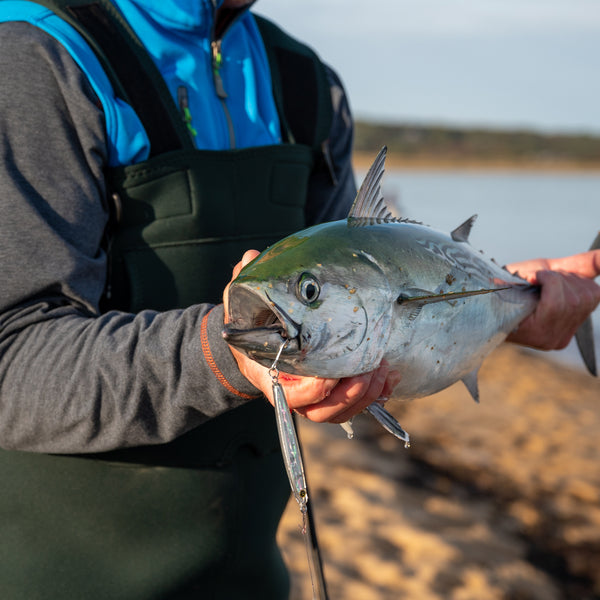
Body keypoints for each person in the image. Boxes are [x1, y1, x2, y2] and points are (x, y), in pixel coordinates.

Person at [0, 0, 598, 598]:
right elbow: (12, 356)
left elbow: (369, 286)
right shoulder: (36, 58)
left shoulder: (303, 81)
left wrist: (499, 301)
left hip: (252, 573)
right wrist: (224, 356)